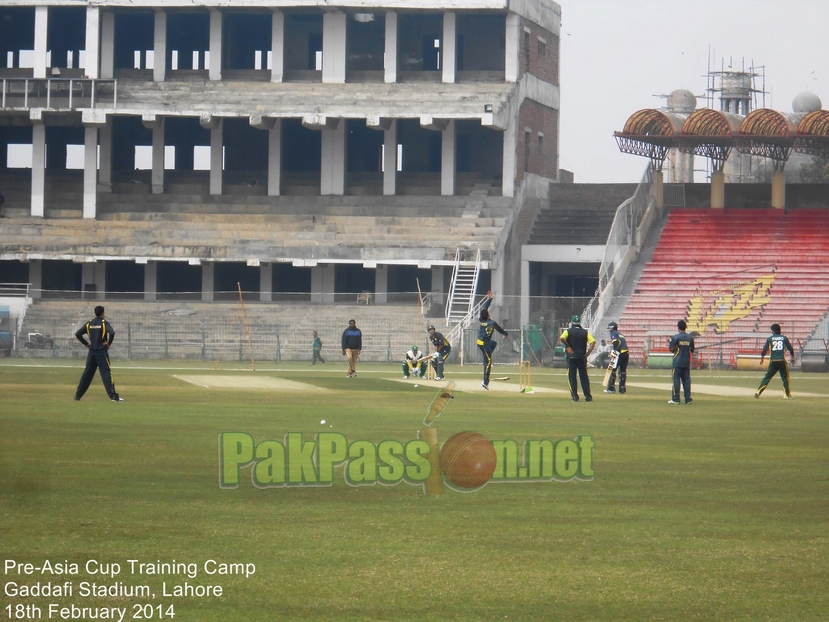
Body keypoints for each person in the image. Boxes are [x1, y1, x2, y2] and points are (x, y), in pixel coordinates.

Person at [73, 305, 123, 402]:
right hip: (101, 352)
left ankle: (78, 396)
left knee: (87, 374)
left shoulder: (90, 323)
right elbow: (112, 333)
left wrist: (87, 344)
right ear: (102, 313)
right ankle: (113, 396)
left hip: (92, 352)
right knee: (106, 373)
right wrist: (108, 343)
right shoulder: (104, 323)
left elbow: (78, 334)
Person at [476, 291, 508, 390]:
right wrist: (506, 334)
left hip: (480, 342)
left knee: (493, 343)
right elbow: (500, 329)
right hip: (484, 344)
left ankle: (487, 358)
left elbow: (485, 309)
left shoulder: (481, 319)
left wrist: (490, 299)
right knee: (488, 362)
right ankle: (485, 383)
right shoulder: (492, 323)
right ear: (488, 315)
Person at [755, 323, 795, 399]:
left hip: (773, 361)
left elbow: (764, 350)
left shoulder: (770, 339)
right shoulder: (784, 338)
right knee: (785, 378)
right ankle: (787, 395)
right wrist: (793, 357)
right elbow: (790, 348)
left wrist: (762, 358)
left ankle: (758, 391)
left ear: (773, 331)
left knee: (767, 377)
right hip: (781, 360)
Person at [560, 314, 595, 402]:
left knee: (572, 376)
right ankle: (588, 396)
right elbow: (593, 342)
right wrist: (588, 353)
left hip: (571, 357)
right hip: (582, 357)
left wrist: (568, 346)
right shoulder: (585, 332)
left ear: (572, 322)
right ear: (579, 322)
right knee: (584, 376)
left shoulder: (568, 331)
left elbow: (562, 338)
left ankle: (575, 396)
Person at [668, 319, 695, 404]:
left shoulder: (675, 337)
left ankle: (676, 398)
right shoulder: (690, 338)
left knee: (676, 380)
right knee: (686, 380)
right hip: (686, 362)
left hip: (677, 362)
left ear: (678, 328)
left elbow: (671, 349)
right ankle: (687, 398)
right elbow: (692, 350)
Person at [605, 321, 629, 394]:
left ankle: (611, 388)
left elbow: (615, 342)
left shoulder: (614, 333)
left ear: (612, 328)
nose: (609, 330)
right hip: (626, 353)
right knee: (623, 371)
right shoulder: (621, 334)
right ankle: (622, 389)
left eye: (609, 328)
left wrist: (614, 351)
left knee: (613, 370)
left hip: (619, 353)